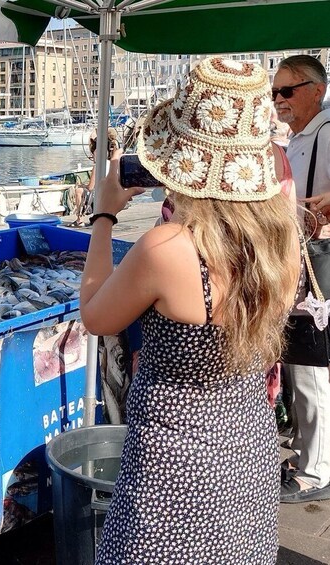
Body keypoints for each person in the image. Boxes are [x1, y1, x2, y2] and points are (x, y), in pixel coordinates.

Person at [80, 58, 300, 563]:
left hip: (173, 468)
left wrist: (104, 212)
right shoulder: (280, 240)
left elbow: (93, 314)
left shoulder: (170, 247)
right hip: (248, 449)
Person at [272, 54, 330, 503]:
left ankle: (316, 471)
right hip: (301, 264)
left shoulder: (326, 133)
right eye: (275, 92)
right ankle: (314, 452)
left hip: (318, 267)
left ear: (316, 90)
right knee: (304, 367)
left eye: (286, 91)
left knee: (311, 369)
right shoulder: (298, 138)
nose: (278, 100)